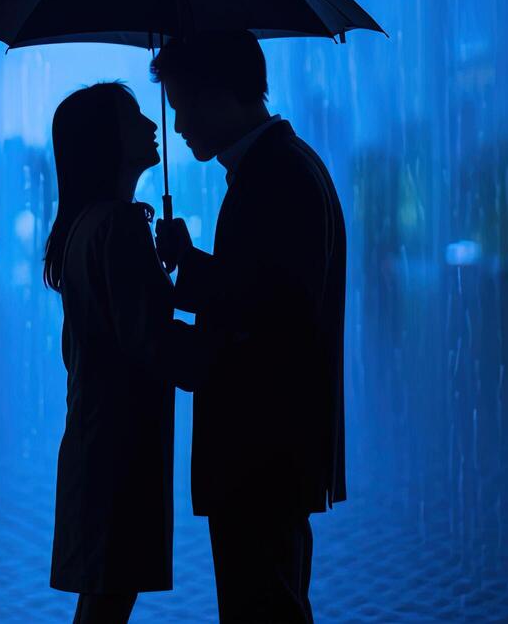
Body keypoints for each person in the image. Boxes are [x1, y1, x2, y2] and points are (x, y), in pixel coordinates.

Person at [151, 31, 347, 624]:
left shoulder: (276, 176)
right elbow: (264, 287)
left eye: (183, 104)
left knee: (260, 611)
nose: (178, 124)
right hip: (273, 450)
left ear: (220, 94)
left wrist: (190, 280)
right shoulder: (283, 166)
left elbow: (278, 308)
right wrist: (193, 263)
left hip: (260, 449)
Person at [45, 82, 213, 624]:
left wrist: (170, 266)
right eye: (135, 117)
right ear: (108, 140)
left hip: (100, 440)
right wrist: (232, 343)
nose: (152, 125)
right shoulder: (117, 225)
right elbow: (152, 343)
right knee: (108, 598)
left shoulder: (90, 224)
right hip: (119, 449)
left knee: (104, 595)